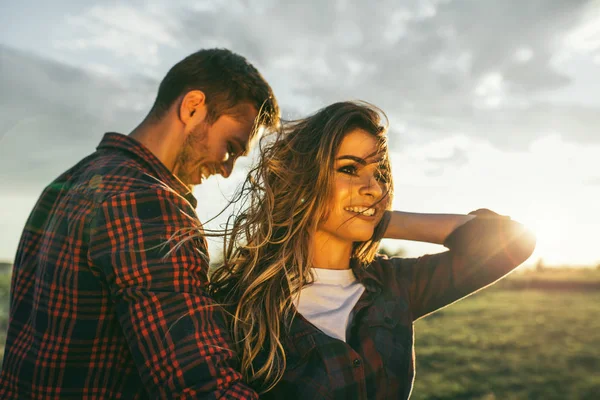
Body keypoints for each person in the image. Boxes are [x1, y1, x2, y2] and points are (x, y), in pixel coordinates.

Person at [0, 48, 279, 399]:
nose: (227, 169)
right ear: (193, 107)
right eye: (232, 147)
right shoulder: (148, 203)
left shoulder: (63, 186)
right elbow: (200, 385)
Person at [209, 101, 536, 399]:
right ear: (303, 183)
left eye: (379, 174)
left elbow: (514, 241)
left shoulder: (396, 284)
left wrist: (378, 217)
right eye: (350, 169)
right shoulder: (237, 303)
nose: (375, 187)